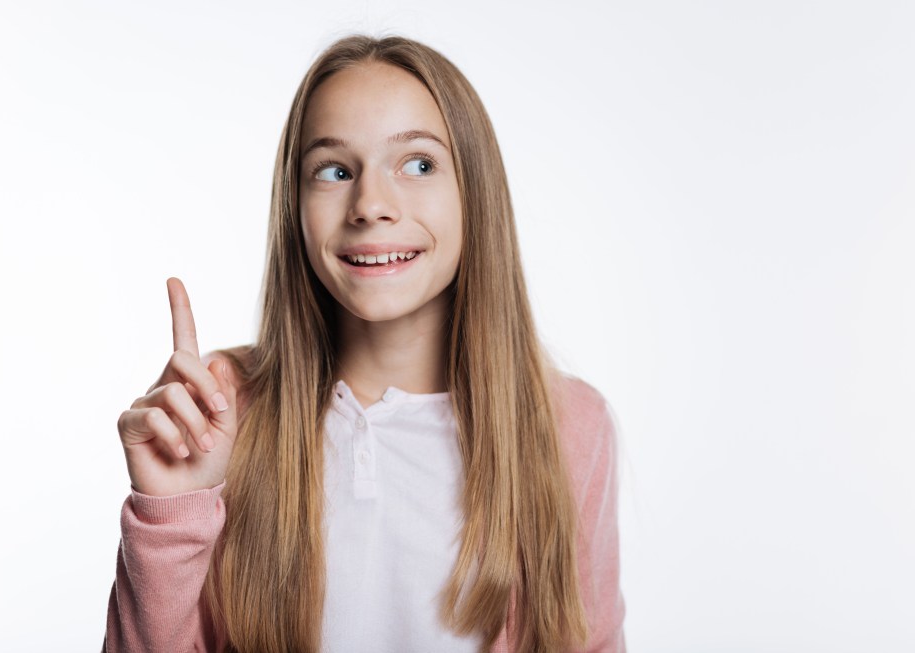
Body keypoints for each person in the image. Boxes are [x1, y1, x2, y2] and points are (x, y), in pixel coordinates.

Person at [104, 34, 625, 653]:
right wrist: (171, 515)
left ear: (475, 192)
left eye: (419, 164)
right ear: (295, 207)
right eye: (335, 170)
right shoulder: (220, 411)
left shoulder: (570, 425)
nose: (371, 205)